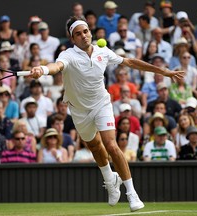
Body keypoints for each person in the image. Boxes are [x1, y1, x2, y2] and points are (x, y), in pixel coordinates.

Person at [30, 16, 184, 211]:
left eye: (85, 31)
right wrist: (42, 69)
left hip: (102, 104)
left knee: (111, 144)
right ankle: (110, 179)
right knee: (95, 146)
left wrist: (163, 71)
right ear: (72, 39)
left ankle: (132, 193)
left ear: (90, 32)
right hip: (79, 110)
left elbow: (130, 62)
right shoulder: (67, 55)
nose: (83, 36)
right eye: (78, 34)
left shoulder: (103, 51)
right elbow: (56, 67)